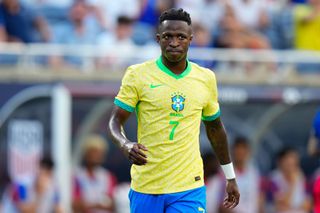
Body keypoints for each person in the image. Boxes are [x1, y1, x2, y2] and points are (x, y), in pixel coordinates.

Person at [108, 8, 240, 212]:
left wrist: (230, 176)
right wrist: (125, 144)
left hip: (189, 187)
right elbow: (115, 121)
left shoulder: (205, 78)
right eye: (168, 36)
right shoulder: (138, 75)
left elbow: (215, 129)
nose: (174, 42)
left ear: (190, 39)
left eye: (181, 37)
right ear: (158, 39)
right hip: (147, 185)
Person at [72, 134, 117, 213]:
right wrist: (98, 205)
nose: (96, 156)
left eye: (99, 153)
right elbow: (76, 205)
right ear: (86, 154)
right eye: (93, 152)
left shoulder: (108, 177)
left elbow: (112, 205)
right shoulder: (77, 176)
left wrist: (89, 204)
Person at [268, 147, 311, 213]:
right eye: (288, 162)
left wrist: (291, 206)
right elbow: (280, 206)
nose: (291, 165)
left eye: (293, 162)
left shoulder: (301, 177)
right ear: (280, 162)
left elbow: (307, 205)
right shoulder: (274, 179)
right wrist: (292, 184)